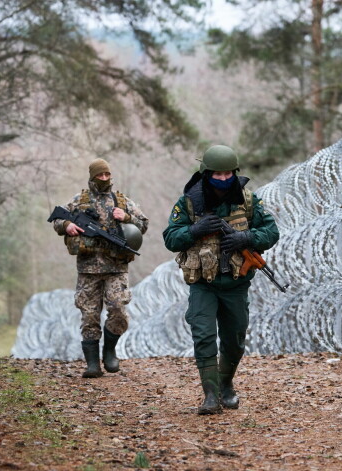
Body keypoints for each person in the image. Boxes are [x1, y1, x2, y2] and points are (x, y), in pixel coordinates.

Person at [162, 145, 280, 414]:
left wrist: (247, 237)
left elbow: (271, 231)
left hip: (236, 285)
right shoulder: (189, 202)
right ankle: (211, 395)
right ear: (206, 173)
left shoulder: (248, 200)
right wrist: (194, 230)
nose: (224, 179)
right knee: (203, 336)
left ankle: (226, 385)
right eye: (218, 174)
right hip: (203, 285)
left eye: (229, 174)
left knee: (234, 339)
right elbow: (171, 238)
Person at [52, 158, 148, 378]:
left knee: (118, 311)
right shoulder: (80, 200)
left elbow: (143, 224)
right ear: (92, 176)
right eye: (100, 175)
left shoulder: (121, 200)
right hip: (88, 269)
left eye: (107, 175)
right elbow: (57, 218)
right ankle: (92, 363)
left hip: (116, 267)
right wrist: (68, 225)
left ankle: (110, 351)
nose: (104, 179)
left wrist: (127, 217)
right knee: (89, 315)